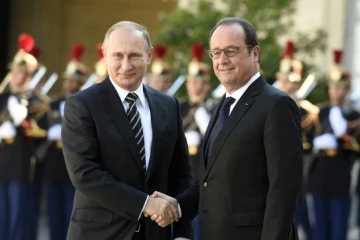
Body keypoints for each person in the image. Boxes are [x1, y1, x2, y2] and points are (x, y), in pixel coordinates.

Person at [151, 17, 303, 240]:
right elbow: (210, 179)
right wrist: (178, 206)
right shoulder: (223, 106)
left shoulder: (276, 105)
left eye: (231, 51)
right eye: (216, 52)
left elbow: (283, 190)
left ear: (255, 53)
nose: (222, 60)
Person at [61, 21, 193, 240]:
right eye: (117, 56)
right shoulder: (82, 104)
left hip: (155, 234)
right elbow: (84, 173)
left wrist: (182, 234)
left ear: (149, 55)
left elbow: (180, 175)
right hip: (100, 234)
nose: (126, 65)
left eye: (134, 55)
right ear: (104, 54)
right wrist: (145, 204)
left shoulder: (169, 105)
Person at [0, 33, 50, 240]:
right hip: (3, 161)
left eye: (17, 71)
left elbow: (42, 133)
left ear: (27, 75)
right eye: (12, 70)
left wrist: (22, 123)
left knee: (19, 215)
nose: (12, 74)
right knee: (2, 215)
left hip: (22, 162)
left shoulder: (36, 100)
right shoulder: (3, 97)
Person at [308, 50, 360, 240]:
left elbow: (356, 145)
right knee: (320, 228)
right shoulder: (320, 112)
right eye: (333, 87)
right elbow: (310, 138)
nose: (336, 91)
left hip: (341, 173)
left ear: (347, 90)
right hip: (320, 174)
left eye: (340, 88)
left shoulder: (354, 116)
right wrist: (317, 142)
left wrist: (341, 137)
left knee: (338, 228)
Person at [43, 43, 87, 240]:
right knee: (54, 213)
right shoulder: (53, 103)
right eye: (67, 80)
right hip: (54, 162)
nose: (68, 84)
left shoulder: (84, 104)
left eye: (73, 80)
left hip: (74, 165)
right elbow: (44, 129)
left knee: (71, 213)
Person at [277, 40, 315, 240]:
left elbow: (309, 145)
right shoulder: (271, 106)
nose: (285, 83)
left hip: (297, 170)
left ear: (298, 82)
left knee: (301, 218)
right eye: (283, 79)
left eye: (290, 80)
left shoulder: (308, 111)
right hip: (274, 172)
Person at [180, 43, 212, 240]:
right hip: (182, 167)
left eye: (200, 82)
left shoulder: (213, 108)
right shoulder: (178, 107)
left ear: (207, 85)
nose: (195, 86)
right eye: (192, 82)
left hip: (202, 169)